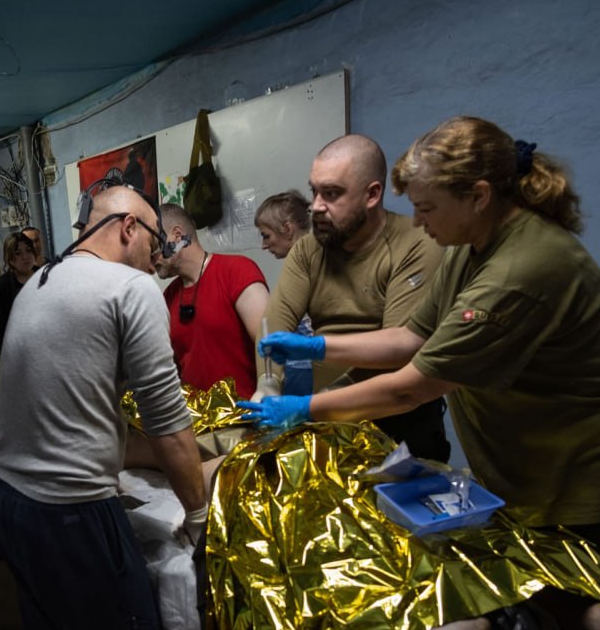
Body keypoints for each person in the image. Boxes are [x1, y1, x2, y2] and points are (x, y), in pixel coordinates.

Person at [242, 116, 600, 630]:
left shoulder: (524, 267)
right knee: (540, 608)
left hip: (589, 470)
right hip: (524, 464)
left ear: (478, 196)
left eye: (426, 208)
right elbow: (410, 339)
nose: (417, 222)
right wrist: (318, 348)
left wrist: (302, 409)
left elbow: (415, 384)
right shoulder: (469, 248)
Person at [0, 185, 207, 630]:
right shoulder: (129, 289)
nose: (158, 259)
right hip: (72, 514)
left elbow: (78, 408)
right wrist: (198, 514)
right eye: (155, 241)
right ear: (127, 229)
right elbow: (168, 425)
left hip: (11, 500)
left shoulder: (41, 282)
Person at [258, 134, 451, 461]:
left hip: (395, 418)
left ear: (372, 194)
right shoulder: (307, 249)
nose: (317, 206)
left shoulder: (416, 244)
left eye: (332, 193)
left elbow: (399, 350)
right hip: (326, 416)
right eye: (314, 191)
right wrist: (268, 383)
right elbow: (276, 320)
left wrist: (318, 403)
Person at [155, 202, 269, 397]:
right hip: (196, 414)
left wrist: (267, 392)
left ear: (177, 237)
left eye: (155, 246)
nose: (151, 256)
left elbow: (271, 347)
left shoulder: (237, 272)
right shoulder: (169, 296)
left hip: (245, 411)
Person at [253, 190, 315, 396]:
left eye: (266, 235)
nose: (264, 245)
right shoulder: (301, 263)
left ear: (288, 229)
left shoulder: (311, 262)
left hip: (309, 372)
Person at [0, 231, 37, 358]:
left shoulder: (46, 276)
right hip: (18, 352)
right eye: (18, 253)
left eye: (28, 250)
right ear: (10, 259)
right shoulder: (0, 289)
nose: (25, 257)